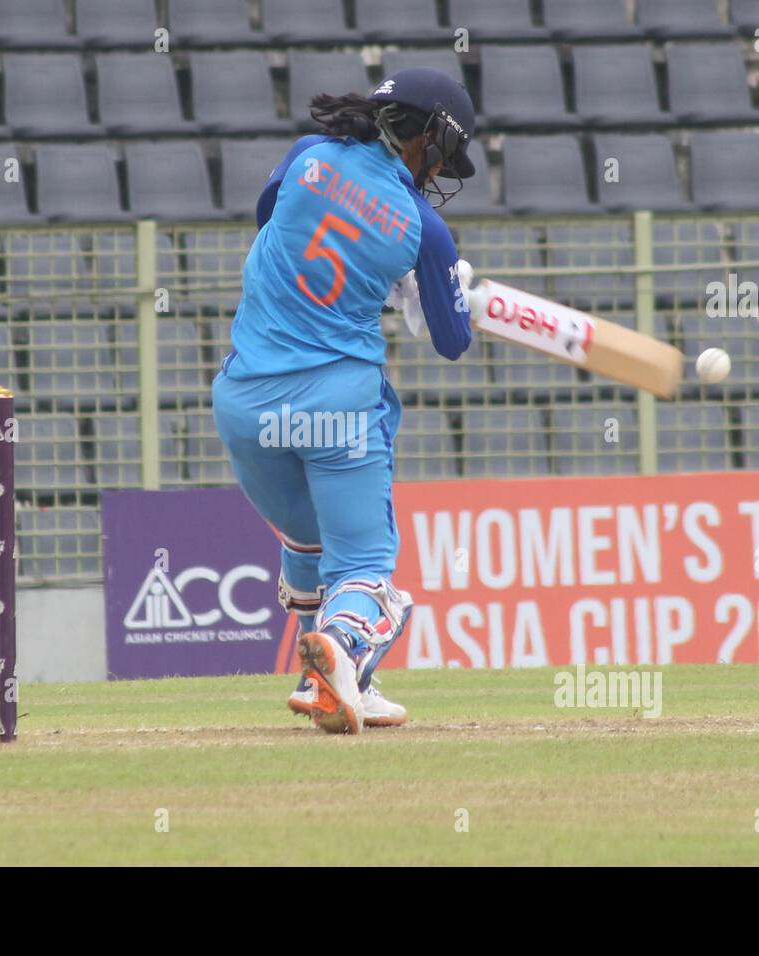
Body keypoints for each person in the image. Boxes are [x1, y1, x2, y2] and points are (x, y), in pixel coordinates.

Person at [212, 69, 477, 733]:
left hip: (243, 403)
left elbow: (271, 221)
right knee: (363, 567)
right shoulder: (424, 229)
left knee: (306, 538)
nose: (441, 168)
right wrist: (440, 290)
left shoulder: (307, 154)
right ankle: (347, 646)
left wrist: (375, 275)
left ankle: (326, 679)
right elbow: (451, 343)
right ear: (427, 135)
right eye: (443, 153)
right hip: (337, 405)